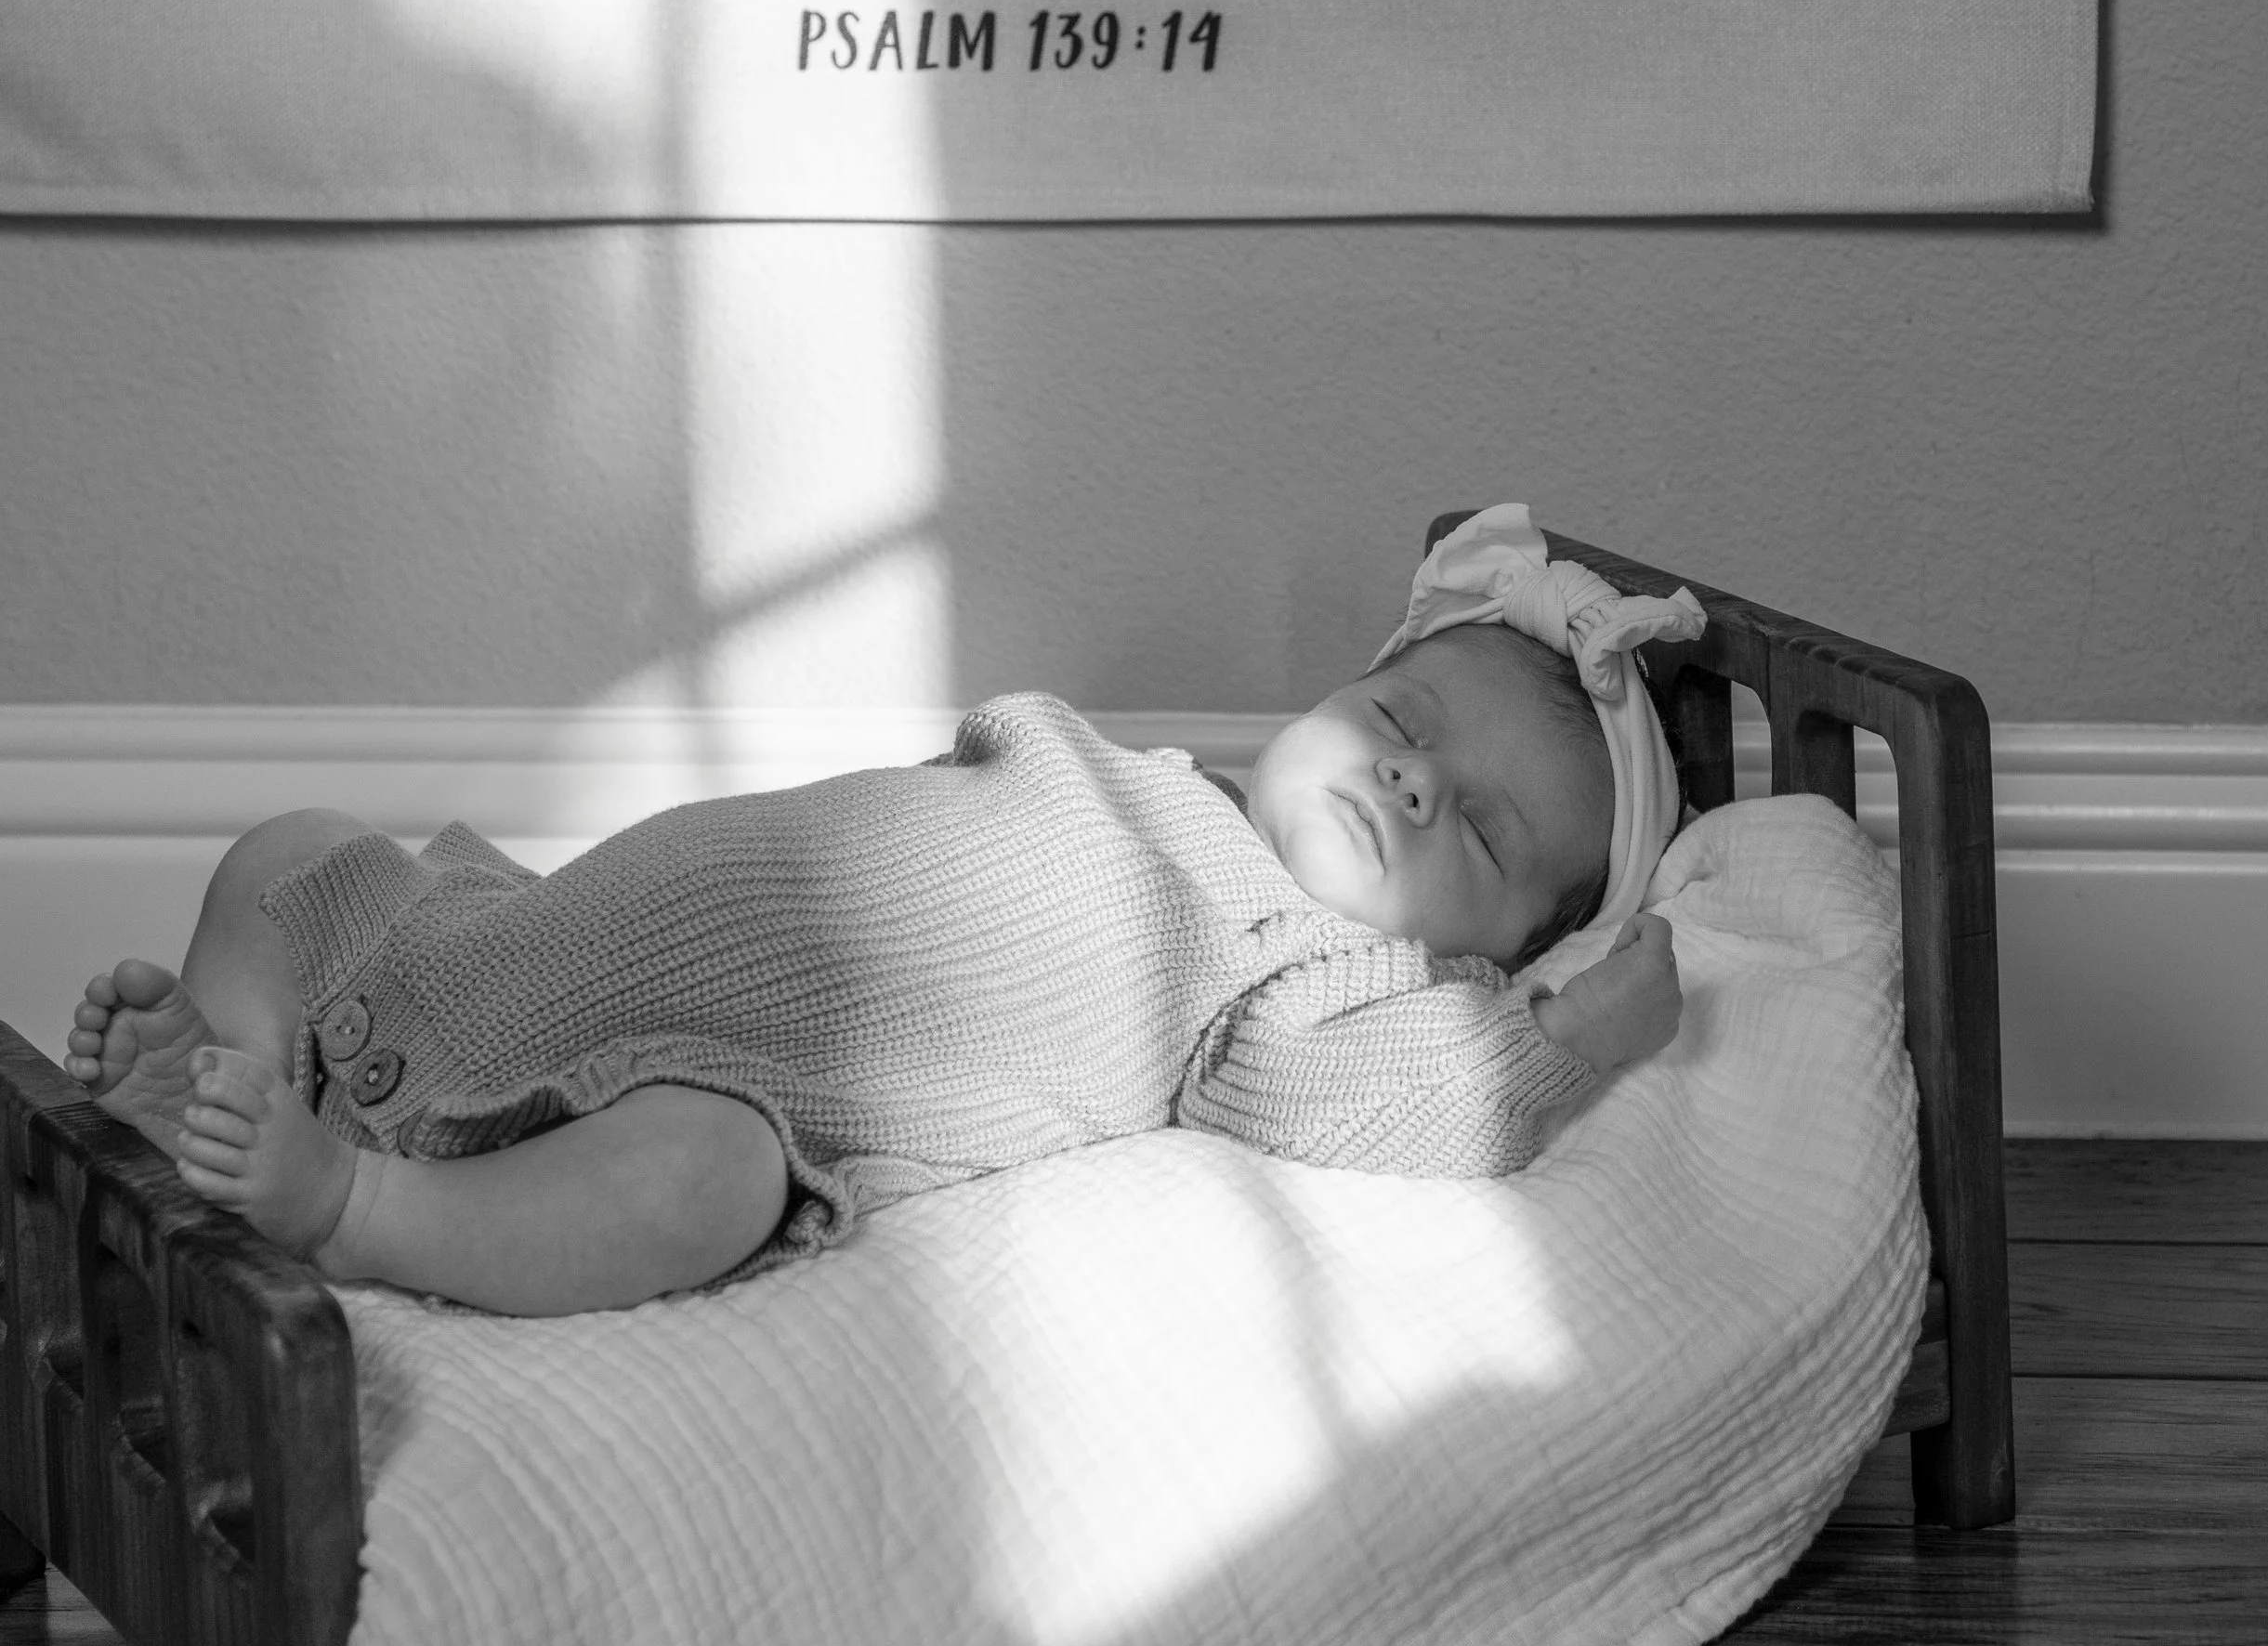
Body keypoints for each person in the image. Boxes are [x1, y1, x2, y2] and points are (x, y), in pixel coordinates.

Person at [63, 507, 1702, 1319]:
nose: (1414, 785)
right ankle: (233, 1063)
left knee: (704, 1180)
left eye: (1477, 831)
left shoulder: (1287, 977)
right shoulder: (1125, 773)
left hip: (678, 1083)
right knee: (300, 854)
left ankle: (349, 1207)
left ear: (1475, 961)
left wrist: (1563, 1039)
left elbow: (1402, 1103)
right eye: (1405, 726)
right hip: (529, 939)